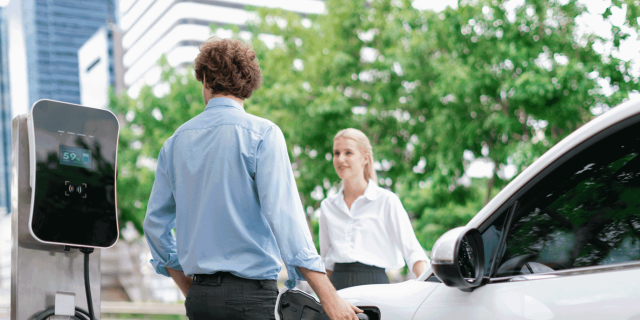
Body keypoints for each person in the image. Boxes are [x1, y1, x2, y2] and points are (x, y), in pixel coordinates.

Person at [143, 37, 361, 320]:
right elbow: (286, 221)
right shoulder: (263, 134)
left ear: (205, 81)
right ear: (248, 84)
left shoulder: (174, 143)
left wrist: (190, 288)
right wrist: (330, 298)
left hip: (199, 301)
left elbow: (155, 226)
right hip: (250, 300)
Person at [319, 128, 430, 290]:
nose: (340, 159)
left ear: (365, 158)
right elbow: (326, 261)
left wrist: (427, 290)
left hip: (376, 288)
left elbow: (414, 253)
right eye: (336, 153)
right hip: (337, 290)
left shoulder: (386, 201)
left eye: (348, 152)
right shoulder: (327, 206)